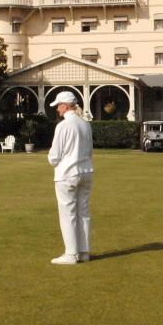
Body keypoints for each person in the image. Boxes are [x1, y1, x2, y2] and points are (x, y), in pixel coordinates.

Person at [47, 91, 94, 265]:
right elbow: (89, 151)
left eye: (58, 106)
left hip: (67, 173)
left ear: (65, 106)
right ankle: (84, 252)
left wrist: (54, 162)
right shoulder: (85, 124)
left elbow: (54, 156)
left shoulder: (63, 126)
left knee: (68, 214)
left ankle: (71, 254)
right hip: (86, 171)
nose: (57, 109)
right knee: (83, 212)